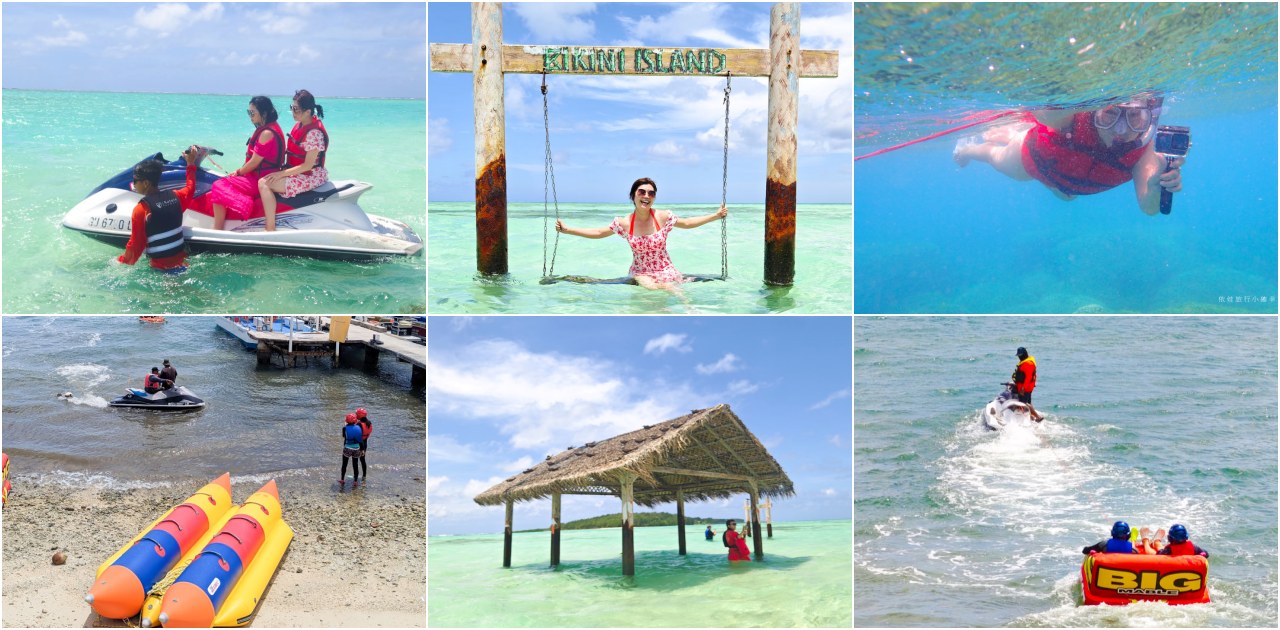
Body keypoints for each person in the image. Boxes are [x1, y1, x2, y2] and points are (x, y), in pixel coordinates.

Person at [953, 96, 1186, 215]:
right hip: (1035, 160)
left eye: (1135, 118)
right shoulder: (1077, 118)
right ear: (1096, 111)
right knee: (995, 156)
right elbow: (1041, 114)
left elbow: (1150, 208)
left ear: (1149, 119)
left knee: (1066, 196)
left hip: (1066, 186)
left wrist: (1158, 186)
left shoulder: (1144, 152)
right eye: (1110, 115)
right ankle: (968, 150)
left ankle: (1007, 133)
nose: (1121, 129)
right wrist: (1081, 103)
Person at [555, 178, 727, 293]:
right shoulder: (624, 223)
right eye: (642, 192)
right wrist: (568, 230)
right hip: (640, 272)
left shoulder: (663, 216)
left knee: (674, 290)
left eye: (651, 193)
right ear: (633, 196)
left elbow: (688, 223)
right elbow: (599, 232)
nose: (646, 196)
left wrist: (716, 215)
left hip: (666, 269)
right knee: (653, 289)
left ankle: (689, 310)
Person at [117, 146, 202, 271]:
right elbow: (191, 187)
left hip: (162, 270)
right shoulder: (176, 196)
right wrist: (190, 164)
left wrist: (121, 261)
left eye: (135, 181)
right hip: (184, 263)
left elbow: (136, 246)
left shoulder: (142, 210)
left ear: (146, 183)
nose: (133, 184)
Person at [210, 96, 285, 230]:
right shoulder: (271, 127)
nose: (250, 116)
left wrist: (238, 172)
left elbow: (254, 163)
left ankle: (218, 229)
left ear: (264, 113)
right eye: (248, 112)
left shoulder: (267, 133)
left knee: (218, 185)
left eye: (252, 113)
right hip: (258, 176)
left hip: (260, 178)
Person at [259, 89, 329, 232]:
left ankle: (270, 228)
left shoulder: (314, 133)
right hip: (298, 171)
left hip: (310, 175)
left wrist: (281, 174)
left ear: (308, 111)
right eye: (292, 108)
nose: (293, 112)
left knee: (264, 183)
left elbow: (308, 165)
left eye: (296, 109)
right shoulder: (299, 124)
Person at [1011, 347, 1043, 421]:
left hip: (1025, 388)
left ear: (1025, 354)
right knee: (1028, 402)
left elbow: (1028, 378)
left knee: (1024, 403)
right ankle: (1032, 417)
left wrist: (1023, 388)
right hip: (1025, 387)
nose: (1019, 357)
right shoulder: (1026, 362)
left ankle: (1038, 417)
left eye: (1020, 355)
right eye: (1018, 355)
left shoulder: (1028, 364)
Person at [340, 413, 363, 486]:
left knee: (344, 464)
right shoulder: (359, 427)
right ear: (355, 420)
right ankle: (355, 481)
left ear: (347, 421)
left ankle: (342, 480)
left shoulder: (344, 428)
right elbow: (360, 440)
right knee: (355, 465)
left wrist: (345, 426)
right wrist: (362, 450)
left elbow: (344, 436)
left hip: (347, 448)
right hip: (357, 448)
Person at [355, 407, 372, 481]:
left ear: (359, 415)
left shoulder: (359, 424)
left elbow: (357, 435)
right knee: (362, 460)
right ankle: (364, 476)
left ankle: (356, 477)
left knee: (355, 460)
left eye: (357, 414)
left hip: (359, 444)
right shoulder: (369, 423)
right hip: (365, 443)